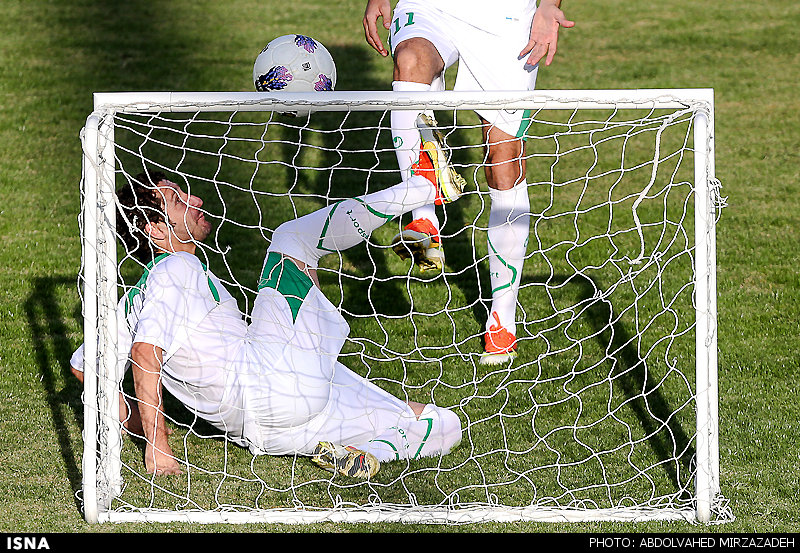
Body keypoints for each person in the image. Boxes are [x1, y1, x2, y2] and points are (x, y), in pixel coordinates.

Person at [69, 131, 466, 479]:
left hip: (271, 430)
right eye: (178, 199)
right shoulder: (175, 267)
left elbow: (84, 365)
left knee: (438, 422)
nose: (196, 198)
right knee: (292, 240)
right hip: (271, 383)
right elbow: (144, 352)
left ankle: (372, 456)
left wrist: (134, 421)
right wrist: (156, 445)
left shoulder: (133, 302)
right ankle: (425, 187)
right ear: (155, 229)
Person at [362, 0, 574, 365]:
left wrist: (547, 8)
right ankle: (422, 219)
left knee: (503, 160)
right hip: (432, 7)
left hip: (504, 19)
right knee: (410, 61)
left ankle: (502, 318)